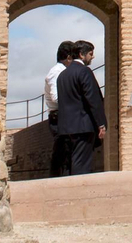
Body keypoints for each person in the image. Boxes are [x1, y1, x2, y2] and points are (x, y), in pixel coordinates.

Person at [57, 38, 106, 175]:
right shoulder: (84, 71)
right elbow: (93, 99)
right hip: (83, 126)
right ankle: (79, 193)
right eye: (90, 54)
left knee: (69, 164)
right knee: (81, 164)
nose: (93, 57)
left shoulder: (62, 75)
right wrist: (101, 124)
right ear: (81, 55)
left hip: (65, 128)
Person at [44, 41, 76, 177]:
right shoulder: (57, 73)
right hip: (59, 117)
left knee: (64, 152)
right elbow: (56, 97)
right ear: (68, 57)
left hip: (60, 116)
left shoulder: (59, 71)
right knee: (62, 153)